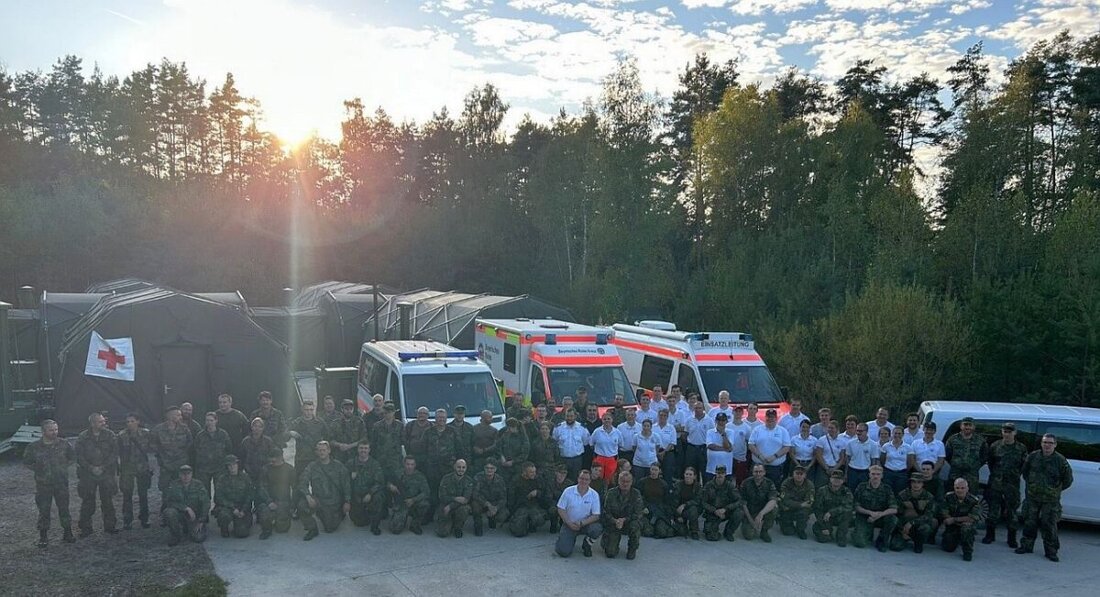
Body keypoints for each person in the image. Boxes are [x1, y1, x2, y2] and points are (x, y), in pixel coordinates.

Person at [1016, 433, 1074, 562]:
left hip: (1050, 500)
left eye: (1050, 443)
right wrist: (1033, 486)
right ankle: (1026, 546)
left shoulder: (1060, 460)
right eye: (1045, 442)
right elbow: (1025, 473)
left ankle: (1051, 551)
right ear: (1041, 443)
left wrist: (1053, 490)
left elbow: (1068, 480)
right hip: (1033, 497)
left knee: (1049, 525)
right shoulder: (1033, 457)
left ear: (1055, 445)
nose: (1047, 445)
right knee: (1029, 522)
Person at [24, 419, 76, 547]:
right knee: (44, 510)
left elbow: (73, 458)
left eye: (56, 429)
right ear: (43, 431)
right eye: (51, 430)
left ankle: (68, 533)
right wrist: (39, 470)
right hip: (43, 485)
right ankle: (43, 536)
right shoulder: (34, 447)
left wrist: (62, 468)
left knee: (64, 509)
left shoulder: (64, 444)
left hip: (61, 483)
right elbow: (27, 462)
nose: (54, 432)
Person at [984, 422, 1028, 547]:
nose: (1007, 434)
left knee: (1011, 512)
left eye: (1010, 431)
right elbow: (991, 462)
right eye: (1005, 431)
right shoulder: (995, 446)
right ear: (1002, 432)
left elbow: (1024, 466)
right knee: (993, 510)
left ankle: (1011, 538)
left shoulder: (1021, 448)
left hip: (1012, 485)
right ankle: (990, 535)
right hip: (995, 483)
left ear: (1015, 433)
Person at [75, 411, 119, 537]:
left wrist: (103, 467)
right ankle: (86, 528)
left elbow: (114, 453)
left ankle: (110, 526)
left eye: (104, 421)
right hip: (88, 475)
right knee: (88, 502)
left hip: (106, 473)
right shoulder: (83, 437)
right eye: (101, 422)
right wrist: (90, 468)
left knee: (108, 502)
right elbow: (79, 455)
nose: (104, 423)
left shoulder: (110, 435)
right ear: (93, 423)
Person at [297, 441, 351, 541]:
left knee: (330, 528)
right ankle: (312, 529)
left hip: (334, 502)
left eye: (324, 450)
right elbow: (302, 481)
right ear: (316, 452)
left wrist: (347, 502)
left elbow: (346, 484)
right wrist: (308, 496)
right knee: (302, 505)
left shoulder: (338, 466)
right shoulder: (312, 466)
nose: (321, 452)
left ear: (329, 451)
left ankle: (338, 514)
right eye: (319, 450)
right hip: (319, 500)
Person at [152, 405, 194, 523]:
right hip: (166, 465)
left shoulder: (184, 428)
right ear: (170, 416)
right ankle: (166, 515)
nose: (180, 417)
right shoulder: (158, 429)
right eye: (178, 415)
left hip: (181, 465)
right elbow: (153, 444)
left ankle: (183, 513)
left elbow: (190, 442)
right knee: (166, 490)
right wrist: (163, 454)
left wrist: (181, 453)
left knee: (183, 489)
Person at [118, 412, 153, 530]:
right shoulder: (122, 435)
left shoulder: (146, 433)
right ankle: (127, 520)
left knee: (143, 494)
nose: (130, 424)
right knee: (127, 495)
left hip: (142, 467)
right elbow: (119, 452)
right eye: (127, 422)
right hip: (127, 468)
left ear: (138, 421)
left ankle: (144, 518)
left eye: (132, 421)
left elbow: (152, 448)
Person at [555, 469, 602, 558]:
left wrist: (582, 523)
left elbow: (596, 515)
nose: (583, 481)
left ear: (590, 481)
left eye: (586, 479)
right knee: (563, 552)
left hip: (585, 524)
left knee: (597, 528)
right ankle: (565, 539)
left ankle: (587, 544)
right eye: (581, 478)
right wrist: (569, 523)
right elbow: (560, 509)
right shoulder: (568, 491)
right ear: (578, 479)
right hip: (569, 524)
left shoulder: (594, 494)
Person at [852, 465, 898, 552]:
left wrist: (879, 515)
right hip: (865, 516)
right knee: (860, 543)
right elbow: (856, 506)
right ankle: (861, 534)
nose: (875, 476)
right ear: (869, 475)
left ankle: (882, 540)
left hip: (881, 517)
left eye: (878, 474)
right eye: (873, 474)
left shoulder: (887, 489)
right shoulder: (861, 487)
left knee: (892, 519)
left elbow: (894, 509)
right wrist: (870, 513)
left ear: (882, 476)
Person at [940, 478, 987, 561]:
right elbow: (944, 512)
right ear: (954, 488)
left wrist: (954, 519)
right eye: (957, 488)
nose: (960, 490)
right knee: (948, 548)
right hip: (953, 526)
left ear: (967, 488)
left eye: (962, 488)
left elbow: (972, 517)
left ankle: (967, 552)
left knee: (966, 529)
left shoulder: (974, 501)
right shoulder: (948, 497)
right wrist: (947, 519)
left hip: (966, 524)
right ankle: (956, 538)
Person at [601, 471, 644, 559]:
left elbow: (638, 513)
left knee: (636, 526)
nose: (625, 484)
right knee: (610, 553)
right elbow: (605, 512)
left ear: (631, 482)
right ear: (618, 481)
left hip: (629, 522)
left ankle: (632, 548)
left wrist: (624, 520)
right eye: (622, 481)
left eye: (627, 481)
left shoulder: (636, 494)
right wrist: (614, 521)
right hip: (614, 523)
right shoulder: (611, 493)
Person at [163, 465, 209, 546]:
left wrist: (201, 520)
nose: (186, 476)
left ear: (191, 474)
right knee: (169, 512)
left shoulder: (198, 485)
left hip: (195, 516)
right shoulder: (174, 485)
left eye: (188, 474)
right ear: (179, 475)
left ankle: (189, 528)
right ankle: (176, 535)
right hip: (180, 514)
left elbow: (205, 503)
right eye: (183, 474)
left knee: (198, 538)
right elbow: (168, 502)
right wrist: (186, 508)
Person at [349, 440, 387, 535]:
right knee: (359, 522)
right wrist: (350, 477)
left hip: (370, 494)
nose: (363, 450)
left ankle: (375, 525)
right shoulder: (351, 463)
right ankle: (365, 513)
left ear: (369, 450)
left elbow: (380, 482)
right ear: (357, 449)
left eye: (366, 448)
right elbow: (344, 482)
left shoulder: (375, 464)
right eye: (361, 448)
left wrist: (370, 493)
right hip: (356, 495)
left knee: (378, 497)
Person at [256, 448, 296, 539]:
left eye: (276, 458)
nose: (273, 460)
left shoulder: (289, 469)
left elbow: (295, 488)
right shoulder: (265, 469)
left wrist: (293, 506)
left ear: (281, 457)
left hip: (284, 501)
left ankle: (278, 519)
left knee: (282, 529)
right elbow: (261, 487)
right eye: (271, 458)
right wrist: (269, 501)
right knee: (264, 512)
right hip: (269, 501)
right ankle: (266, 529)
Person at [892, 473, 936, 553]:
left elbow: (928, 515)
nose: (916, 484)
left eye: (919, 482)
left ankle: (918, 542)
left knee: (926, 527)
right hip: (903, 525)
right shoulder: (902, 495)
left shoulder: (929, 497)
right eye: (914, 482)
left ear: (923, 484)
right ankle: (904, 537)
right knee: (895, 547)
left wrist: (912, 523)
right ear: (910, 483)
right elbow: (896, 514)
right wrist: (902, 530)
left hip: (918, 524)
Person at [424, 409, 459, 508]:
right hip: (432, 467)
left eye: (443, 417)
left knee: (448, 491)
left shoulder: (453, 431)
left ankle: (447, 514)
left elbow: (459, 448)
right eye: (439, 417)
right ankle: (431, 513)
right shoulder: (428, 432)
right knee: (433, 490)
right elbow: (423, 449)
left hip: (448, 467)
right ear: (435, 418)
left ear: (446, 419)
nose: (441, 420)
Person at [214, 455, 254, 538]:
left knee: (242, 533)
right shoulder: (222, 479)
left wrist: (243, 510)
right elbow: (219, 496)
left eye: (234, 465)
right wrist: (232, 508)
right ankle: (224, 528)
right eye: (229, 465)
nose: (232, 467)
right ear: (226, 467)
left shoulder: (245, 477)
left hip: (242, 507)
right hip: (229, 507)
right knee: (223, 516)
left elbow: (250, 495)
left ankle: (238, 526)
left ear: (238, 465)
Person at [748, 409, 791, 486]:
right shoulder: (757, 429)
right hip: (758, 465)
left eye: (772, 417)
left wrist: (774, 457)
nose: (770, 419)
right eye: (768, 417)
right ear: (765, 417)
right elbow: (751, 445)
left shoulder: (783, 431)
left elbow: (787, 447)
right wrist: (760, 456)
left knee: (774, 487)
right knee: (756, 486)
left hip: (775, 467)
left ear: (776, 418)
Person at [944, 416, 988, 491]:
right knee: (953, 496)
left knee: (971, 498)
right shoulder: (952, 439)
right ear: (961, 426)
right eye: (965, 424)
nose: (967, 427)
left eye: (970, 425)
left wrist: (975, 465)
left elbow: (984, 456)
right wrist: (956, 463)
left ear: (974, 427)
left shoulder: (980, 441)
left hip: (972, 476)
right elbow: (947, 455)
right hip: (955, 474)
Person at [194, 412, 232, 494]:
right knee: (204, 492)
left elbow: (229, 449)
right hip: (204, 469)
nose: (209, 423)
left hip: (219, 467)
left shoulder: (223, 434)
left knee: (220, 491)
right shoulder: (200, 436)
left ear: (216, 421)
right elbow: (195, 450)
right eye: (207, 420)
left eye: (211, 420)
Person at [390, 456, 430, 535]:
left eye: (412, 464)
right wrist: (390, 486)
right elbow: (388, 482)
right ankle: (401, 518)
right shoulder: (398, 473)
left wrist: (413, 500)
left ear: (415, 465)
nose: (409, 467)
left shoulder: (420, 476)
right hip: (401, 503)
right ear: (404, 464)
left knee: (424, 504)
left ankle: (415, 524)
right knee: (395, 530)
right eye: (407, 464)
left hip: (414, 503)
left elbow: (426, 492)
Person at [436, 458, 475, 538]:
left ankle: (458, 527)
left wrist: (451, 506)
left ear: (466, 468)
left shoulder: (469, 481)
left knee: (465, 509)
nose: (461, 469)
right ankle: (449, 522)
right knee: (442, 533)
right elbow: (442, 496)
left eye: (463, 467)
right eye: (459, 467)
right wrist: (455, 498)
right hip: (445, 506)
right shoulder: (446, 478)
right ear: (454, 467)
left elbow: (465, 500)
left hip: (457, 507)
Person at [288, 400, 330, 473]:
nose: (309, 412)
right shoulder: (297, 422)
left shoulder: (319, 422)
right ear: (302, 410)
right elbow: (284, 433)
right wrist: (290, 433)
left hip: (317, 457)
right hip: (301, 457)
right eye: (306, 410)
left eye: (311, 410)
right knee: (300, 481)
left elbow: (328, 436)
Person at [813, 469, 853, 546]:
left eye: (839, 479)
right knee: (823, 538)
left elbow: (848, 506)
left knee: (848, 514)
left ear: (843, 481)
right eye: (834, 478)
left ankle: (841, 536)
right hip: (826, 518)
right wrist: (823, 526)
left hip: (839, 517)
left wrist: (831, 512)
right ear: (830, 479)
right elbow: (817, 509)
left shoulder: (847, 492)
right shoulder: (822, 490)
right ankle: (826, 531)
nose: (836, 480)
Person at [740, 463, 778, 541]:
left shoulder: (769, 483)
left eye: (760, 471)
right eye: (756, 471)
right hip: (749, 512)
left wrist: (761, 514)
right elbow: (743, 503)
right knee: (749, 536)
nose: (758, 474)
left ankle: (764, 531)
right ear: (752, 472)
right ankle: (749, 525)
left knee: (775, 508)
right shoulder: (745, 483)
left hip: (762, 510)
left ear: (764, 472)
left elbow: (773, 500)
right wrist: (751, 521)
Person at [472, 459, 509, 536]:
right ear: (484, 468)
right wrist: (487, 504)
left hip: (494, 503)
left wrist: (496, 508)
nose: (489, 470)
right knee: (475, 504)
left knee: (504, 514)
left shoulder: (500, 480)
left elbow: (503, 498)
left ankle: (492, 519)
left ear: (495, 469)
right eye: (487, 468)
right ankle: (478, 526)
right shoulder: (478, 477)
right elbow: (475, 494)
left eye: (492, 468)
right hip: (482, 502)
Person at [508, 462, 546, 537]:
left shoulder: (538, 479)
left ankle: (531, 523)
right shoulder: (515, 480)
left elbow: (545, 493)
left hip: (534, 506)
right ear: (524, 472)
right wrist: (513, 512)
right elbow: (510, 498)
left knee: (539, 520)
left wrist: (537, 492)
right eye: (531, 472)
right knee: (519, 533)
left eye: (535, 471)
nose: (534, 474)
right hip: (520, 507)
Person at [778, 465, 814, 540]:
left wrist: (798, 505)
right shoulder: (786, 482)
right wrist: (800, 504)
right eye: (797, 473)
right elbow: (784, 500)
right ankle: (788, 524)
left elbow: (809, 502)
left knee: (805, 510)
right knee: (787, 532)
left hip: (801, 509)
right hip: (789, 508)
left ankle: (801, 529)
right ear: (793, 474)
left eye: (801, 474)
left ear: (805, 475)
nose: (799, 476)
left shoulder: (809, 485)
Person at [638, 463, 674, 538]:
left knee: (662, 533)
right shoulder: (642, 482)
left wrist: (670, 517)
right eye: (652, 469)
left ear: (659, 471)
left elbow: (667, 501)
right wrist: (643, 507)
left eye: (656, 470)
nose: (654, 472)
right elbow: (638, 497)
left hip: (659, 510)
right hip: (646, 510)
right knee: (648, 532)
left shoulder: (664, 484)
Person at [371, 402, 404, 483]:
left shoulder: (400, 425)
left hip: (395, 460)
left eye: (390, 412)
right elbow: (373, 443)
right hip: (381, 459)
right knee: (381, 481)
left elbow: (403, 441)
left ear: (393, 412)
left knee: (396, 482)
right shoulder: (377, 426)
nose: (387, 414)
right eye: (385, 412)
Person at [553, 409, 589, 481]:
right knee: (561, 480)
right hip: (562, 459)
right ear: (565, 416)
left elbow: (585, 443)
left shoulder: (582, 428)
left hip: (576, 460)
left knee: (575, 480)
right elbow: (554, 441)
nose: (569, 418)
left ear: (575, 416)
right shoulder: (558, 428)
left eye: (571, 416)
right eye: (567, 416)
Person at [844, 423, 879, 491]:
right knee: (851, 490)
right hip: (852, 471)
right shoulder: (850, 443)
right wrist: (846, 473)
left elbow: (873, 461)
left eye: (860, 431)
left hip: (865, 472)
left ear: (866, 431)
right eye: (857, 431)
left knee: (865, 491)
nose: (858, 433)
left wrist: (872, 474)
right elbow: (847, 459)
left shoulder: (873, 444)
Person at [672, 466, 704, 539]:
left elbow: (698, 500)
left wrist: (685, 505)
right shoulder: (678, 485)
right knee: (681, 532)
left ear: (695, 476)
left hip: (692, 508)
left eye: (690, 474)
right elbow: (673, 501)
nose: (688, 476)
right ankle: (683, 524)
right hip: (679, 510)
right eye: (686, 474)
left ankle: (694, 530)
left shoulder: (698, 486)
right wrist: (677, 516)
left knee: (693, 510)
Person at [240, 418, 277, 482]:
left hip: (265, 474)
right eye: (255, 426)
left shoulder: (268, 441)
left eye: (260, 427)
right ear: (251, 427)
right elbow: (242, 457)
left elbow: (273, 456)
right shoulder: (245, 441)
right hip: (249, 474)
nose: (257, 428)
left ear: (263, 428)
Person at [590, 413, 623, 482]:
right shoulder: (597, 431)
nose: (607, 420)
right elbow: (591, 444)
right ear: (602, 420)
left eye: (608, 419)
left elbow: (620, 445)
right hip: (599, 458)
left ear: (612, 420)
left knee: (610, 479)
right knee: (597, 478)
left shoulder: (617, 432)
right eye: (604, 419)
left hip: (612, 459)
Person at [331, 399, 365, 464]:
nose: (349, 411)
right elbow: (331, 440)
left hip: (355, 455)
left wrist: (350, 446)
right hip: (339, 456)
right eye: (346, 409)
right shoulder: (335, 423)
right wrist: (340, 445)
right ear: (342, 409)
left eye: (351, 409)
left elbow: (364, 439)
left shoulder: (359, 422)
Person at [684, 400, 712, 477]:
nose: (698, 410)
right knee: (691, 470)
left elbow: (712, 434)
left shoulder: (709, 420)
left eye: (700, 408)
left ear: (703, 409)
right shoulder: (689, 420)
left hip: (703, 448)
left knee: (704, 471)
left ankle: (705, 488)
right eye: (696, 408)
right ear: (693, 409)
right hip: (691, 448)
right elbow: (685, 434)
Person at [881, 426, 912, 494]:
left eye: (899, 433)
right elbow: (882, 460)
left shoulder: (908, 447)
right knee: (887, 492)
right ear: (892, 434)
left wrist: (904, 470)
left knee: (900, 493)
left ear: (903, 435)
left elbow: (910, 462)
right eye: (895, 433)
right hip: (888, 473)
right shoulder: (886, 446)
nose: (897, 435)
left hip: (902, 474)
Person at [705, 413, 735, 483]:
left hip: (726, 468)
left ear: (726, 421)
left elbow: (728, 446)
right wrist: (725, 449)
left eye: (723, 420)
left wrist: (723, 435)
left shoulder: (731, 432)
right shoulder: (710, 432)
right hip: (712, 468)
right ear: (716, 420)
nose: (721, 422)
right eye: (719, 420)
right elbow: (710, 446)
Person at [543, 465, 573, 534]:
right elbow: (548, 497)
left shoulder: (570, 484)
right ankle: (553, 524)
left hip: (565, 505)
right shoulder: (550, 483)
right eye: (560, 473)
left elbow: (571, 498)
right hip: (553, 504)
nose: (562, 475)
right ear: (556, 473)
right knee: (552, 510)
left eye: (564, 473)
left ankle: (563, 523)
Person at [498, 417, 530, 483]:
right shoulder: (505, 435)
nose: (508, 429)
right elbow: (499, 446)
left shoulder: (523, 438)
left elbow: (524, 454)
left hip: (517, 466)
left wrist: (513, 462)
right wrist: (502, 457)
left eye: (510, 427)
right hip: (504, 465)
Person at [814, 421, 844, 488]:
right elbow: (818, 455)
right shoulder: (822, 440)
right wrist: (826, 468)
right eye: (829, 428)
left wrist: (835, 468)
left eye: (832, 428)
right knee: (820, 487)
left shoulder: (842, 441)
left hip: (836, 468)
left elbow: (842, 457)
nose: (830, 430)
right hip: (823, 468)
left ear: (837, 429)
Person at [727, 407, 752, 483]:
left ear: (742, 413)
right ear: (732, 412)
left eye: (739, 411)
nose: (738, 413)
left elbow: (749, 442)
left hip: (741, 457)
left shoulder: (747, 427)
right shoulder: (727, 426)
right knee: (728, 479)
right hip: (728, 456)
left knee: (740, 480)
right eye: (736, 411)